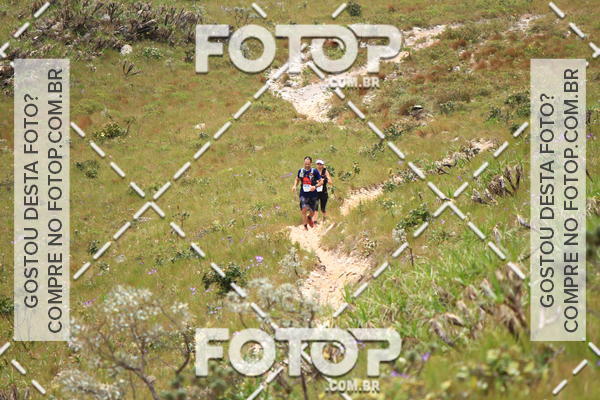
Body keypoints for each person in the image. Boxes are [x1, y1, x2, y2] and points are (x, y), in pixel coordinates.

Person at [291, 156, 323, 230]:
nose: (307, 165)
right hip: (303, 194)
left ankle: (309, 217)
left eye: (308, 164)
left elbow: (321, 182)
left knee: (312, 211)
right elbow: (297, 179)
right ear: (304, 163)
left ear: (311, 163)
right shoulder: (301, 171)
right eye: (306, 164)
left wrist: (315, 186)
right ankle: (305, 226)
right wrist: (294, 185)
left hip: (313, 194)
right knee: (304, 209)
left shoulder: (314, 171)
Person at [313, 159, 333, 225]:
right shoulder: (313, 171)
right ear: (316, 165)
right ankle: (315, 221)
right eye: (318, 164)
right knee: (315, 207)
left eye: (320, 164)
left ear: (323, 165)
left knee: (322, 208)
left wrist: (325, 180)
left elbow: (331, 182)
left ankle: (324, 218)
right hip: (315, 192)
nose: (319, 165)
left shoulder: (325, 172)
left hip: (323, 192)